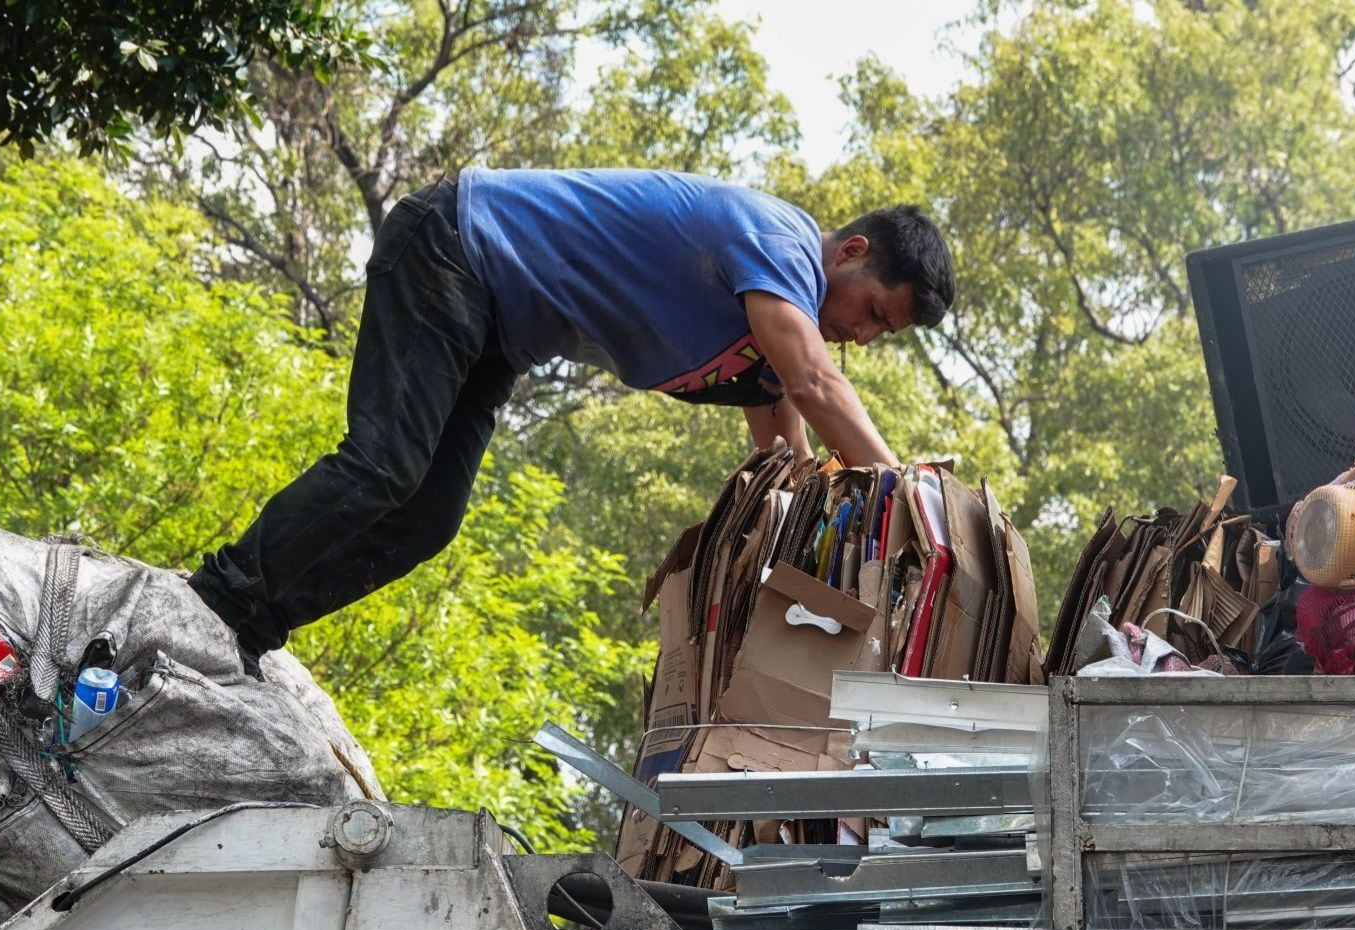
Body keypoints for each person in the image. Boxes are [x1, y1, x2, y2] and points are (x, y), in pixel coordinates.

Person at [189, 167, 956, 666]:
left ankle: (253, 629)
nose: (861, 335)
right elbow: (818, 387)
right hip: (452, 247)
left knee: (428, 520)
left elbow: (785, 477)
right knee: (384, 467)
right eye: (873, 312)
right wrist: (907, 494)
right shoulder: (781, 242)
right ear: (851, 251)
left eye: (880, 333)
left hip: (494, 329)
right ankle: (214, 600)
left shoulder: (767, 356)